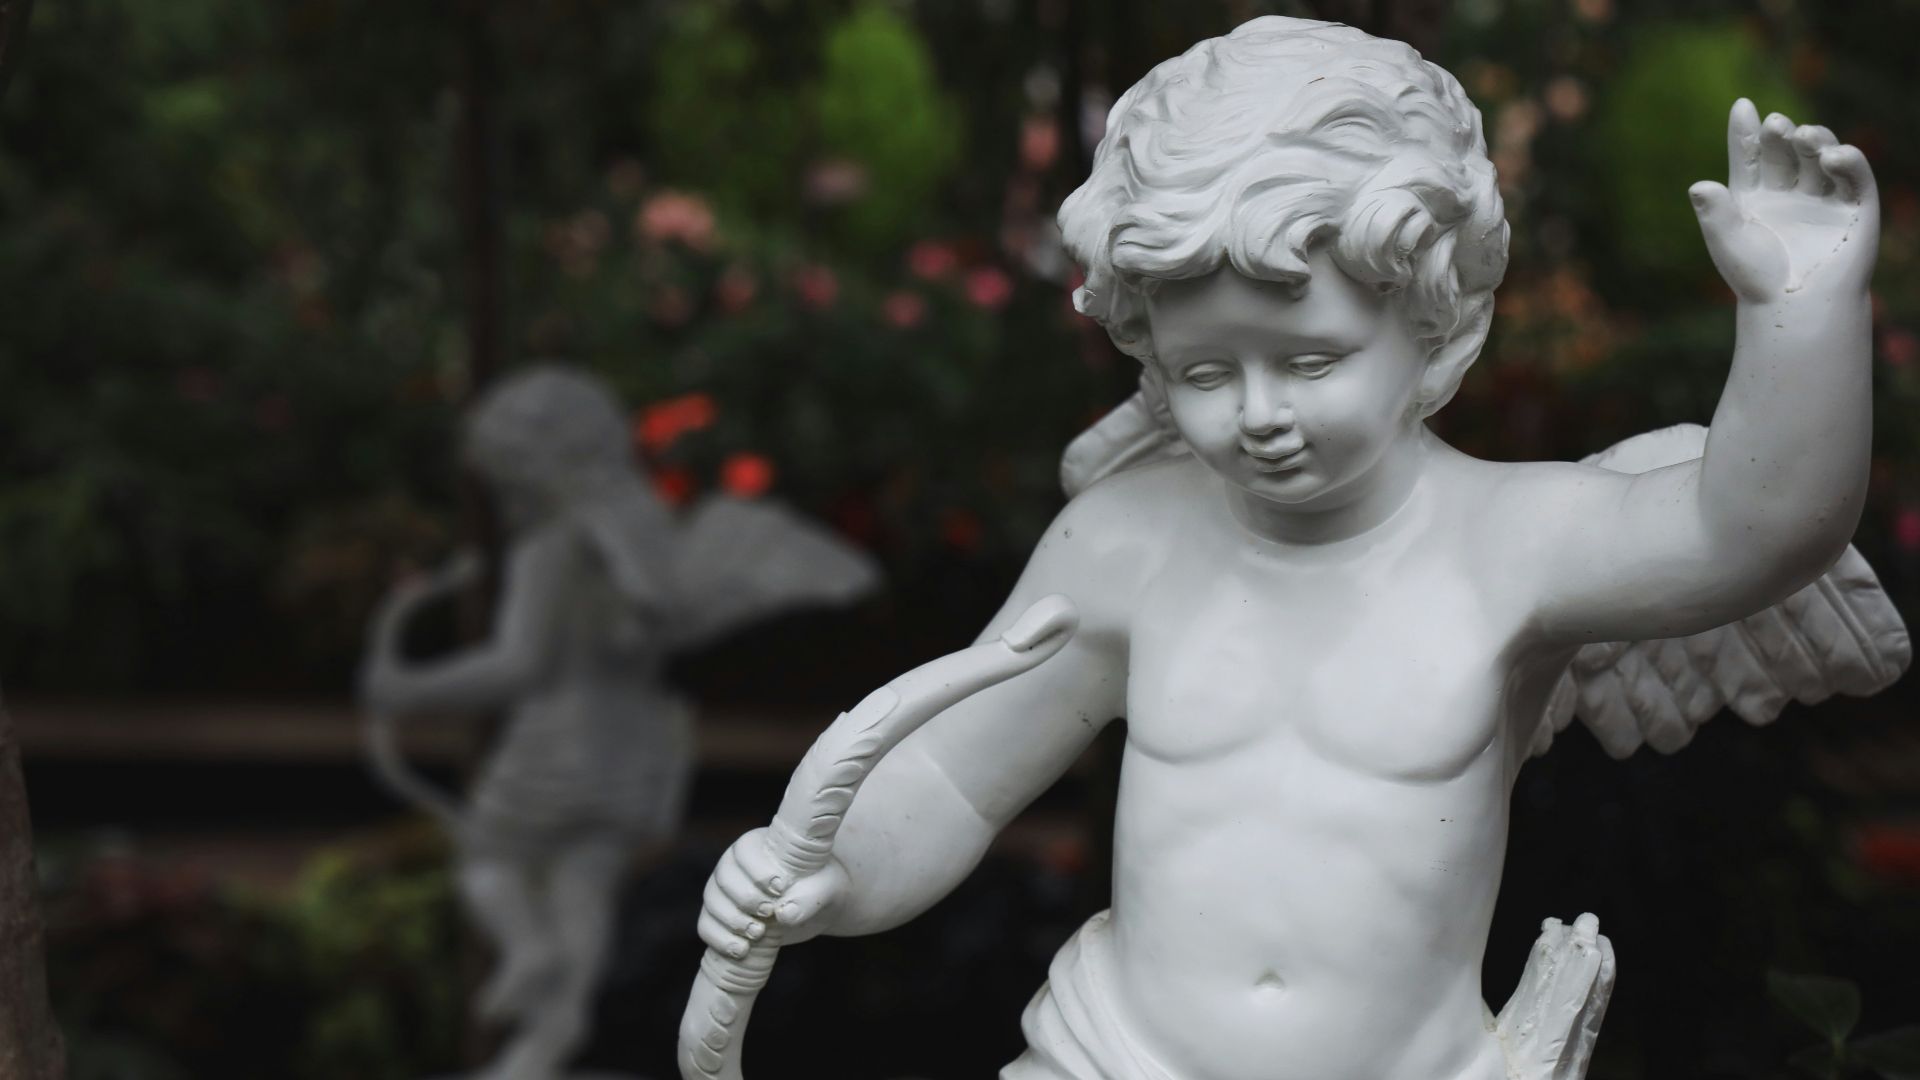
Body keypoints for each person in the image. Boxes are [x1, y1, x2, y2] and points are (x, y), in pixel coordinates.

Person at [694, 17, 1901, 1080]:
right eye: (1205, 373)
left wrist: (1802, 312)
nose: (1258, 413)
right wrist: (830, 875)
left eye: (1310, 361)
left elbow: (1754, 529)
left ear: (1434, 326)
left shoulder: (1510, 545)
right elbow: (954, 773)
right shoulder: (1123, 543)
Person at [363, 366, 876, 1080]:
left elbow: (518, 664)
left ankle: (528, 952)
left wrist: (405, 688)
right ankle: (551, 1034)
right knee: (581, 882)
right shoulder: (641, 533)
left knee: (489, 859)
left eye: (507, 479)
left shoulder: (551, 547)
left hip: (557, 739)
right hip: (634, 742)